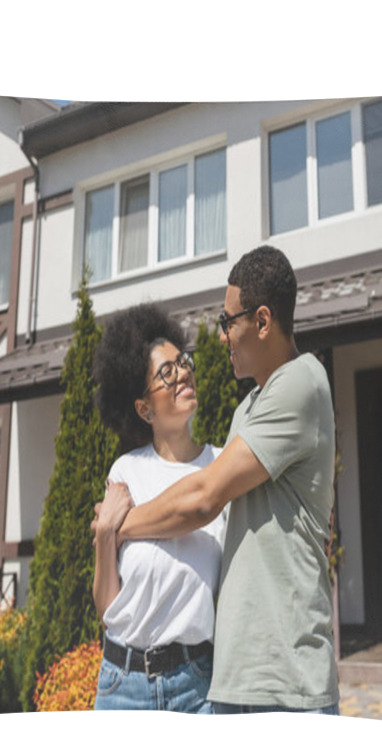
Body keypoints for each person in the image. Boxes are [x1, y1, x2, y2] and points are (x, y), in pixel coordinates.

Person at [101, 245, 339, 714]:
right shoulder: (246, 410)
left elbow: (204, 498)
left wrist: (116, 525)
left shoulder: (301, 381)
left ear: (263, 321)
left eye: (228, 321)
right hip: (233, 680)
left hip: (285, 679)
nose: (223, 335)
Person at [90, 303, 224, 713]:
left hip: (196, 685)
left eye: (183, 363)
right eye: (166, 372)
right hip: (122, 683)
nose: (182, 373)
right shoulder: (127, 472)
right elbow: (107, 607)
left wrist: (120, 526)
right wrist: (103, 536)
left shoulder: (220, 469)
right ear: (144, 409)